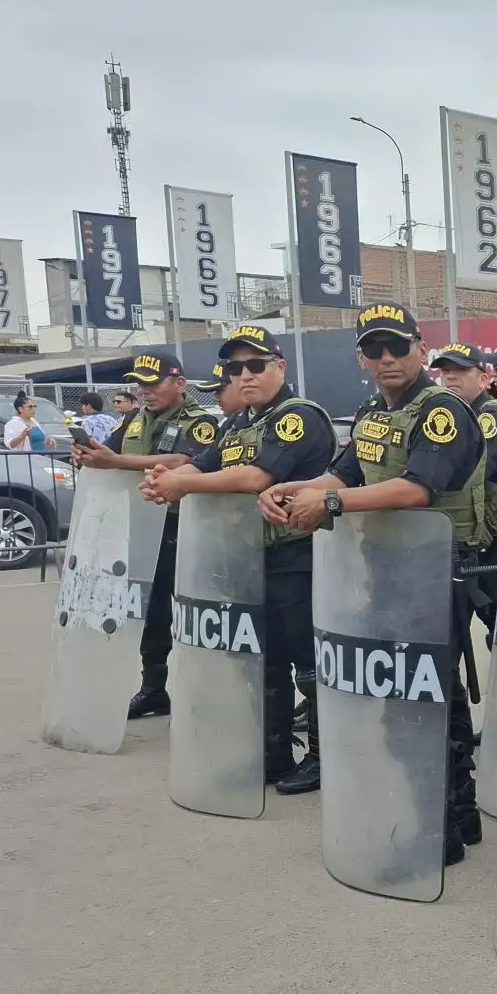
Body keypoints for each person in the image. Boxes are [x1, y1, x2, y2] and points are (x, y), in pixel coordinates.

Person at [258, 303, 489, 864]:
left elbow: (417, 489)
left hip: (439, 569)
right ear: (361, 357)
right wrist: (290, 489)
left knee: (421, 696)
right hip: (387, 567)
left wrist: (331, 502)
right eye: (375, 349)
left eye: (398, 347)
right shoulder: (372, 413)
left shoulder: (442, 410)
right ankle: (456, 812)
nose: (387, 359)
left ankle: (437, 828)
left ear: (421, 350)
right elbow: (345, 472)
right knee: (416, 692)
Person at [139, 325, 337, 790]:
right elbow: (203, 463)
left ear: (280, 367)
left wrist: (181, 484)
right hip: (250, 557)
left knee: (307, 662)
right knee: (262, 658)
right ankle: (272, 752)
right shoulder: (239, 422)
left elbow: (257, 477)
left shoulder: (298, 416)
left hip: (297, 553)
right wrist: (163, 480)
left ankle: (324, 756)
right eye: (234, 368)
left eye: (256, 365)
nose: (244, 375)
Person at [69, 352, 217, 718]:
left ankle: (206, 690)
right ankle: (154, 687)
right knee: (150, 611)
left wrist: (115, 462)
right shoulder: (134, 419)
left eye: (153, 383)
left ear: (179, 383)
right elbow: (112, 451)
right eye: (141, 384)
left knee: (194, 612)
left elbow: (186, 462)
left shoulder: (199, 422)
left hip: (183, 526)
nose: (145, 391)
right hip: (142, 523)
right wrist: (88, 454)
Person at [433, 343, 497, 636]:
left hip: (496, 548)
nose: (450, 377)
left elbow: (471, 470)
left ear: (484, 378)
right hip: (466, 544)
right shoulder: (453, 417)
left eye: (461, 370)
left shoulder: (490, 416)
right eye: (445, 371)